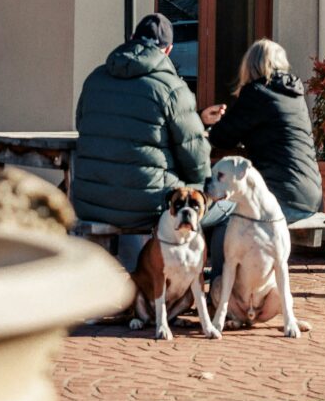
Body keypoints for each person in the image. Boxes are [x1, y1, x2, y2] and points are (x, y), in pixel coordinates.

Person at [73, 14, 226, 261]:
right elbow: (196, 160)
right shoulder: (173, 88)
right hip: (147, 204)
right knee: (229, 209)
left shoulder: (95, 79)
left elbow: (82, 125)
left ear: (131, 39)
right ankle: (216, 292)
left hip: (89, 202)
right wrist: (204, 189)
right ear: (169, 50)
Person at [201, 40, 324, 223]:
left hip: (281, 195)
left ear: (249, 66)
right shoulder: (295, 96)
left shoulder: (257, 92)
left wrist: (206, 123)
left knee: (206, 214)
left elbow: (221, 137)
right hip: (311, 197)